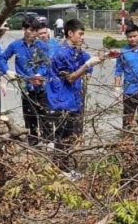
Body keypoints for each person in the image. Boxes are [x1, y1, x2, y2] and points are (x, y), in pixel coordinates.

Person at [45, 19, 104, 175]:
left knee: (71, 138)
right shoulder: (60, 53)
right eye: (80, 34)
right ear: (70, 33)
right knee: (61, 140)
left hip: (74, 101)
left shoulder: (78, 53)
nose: (83, 37)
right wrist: (87, 65)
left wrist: (106, 55)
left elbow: (92, 60)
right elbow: (70, 78)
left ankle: (66, 169)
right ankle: (60, 171)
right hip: (61, 102)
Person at [0, 16, 48, 145]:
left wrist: (39, 74)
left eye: (36, 30)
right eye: (31, 30)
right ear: (24, 29)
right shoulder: (16, 45)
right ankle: (32, 142)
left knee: (44, 116)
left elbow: (46, 64)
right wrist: (7, 71)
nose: (34, 33)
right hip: (25, 88)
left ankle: (47, 142)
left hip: (40, 87)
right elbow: (2, 60)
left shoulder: (41, 46)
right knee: (29, 117)